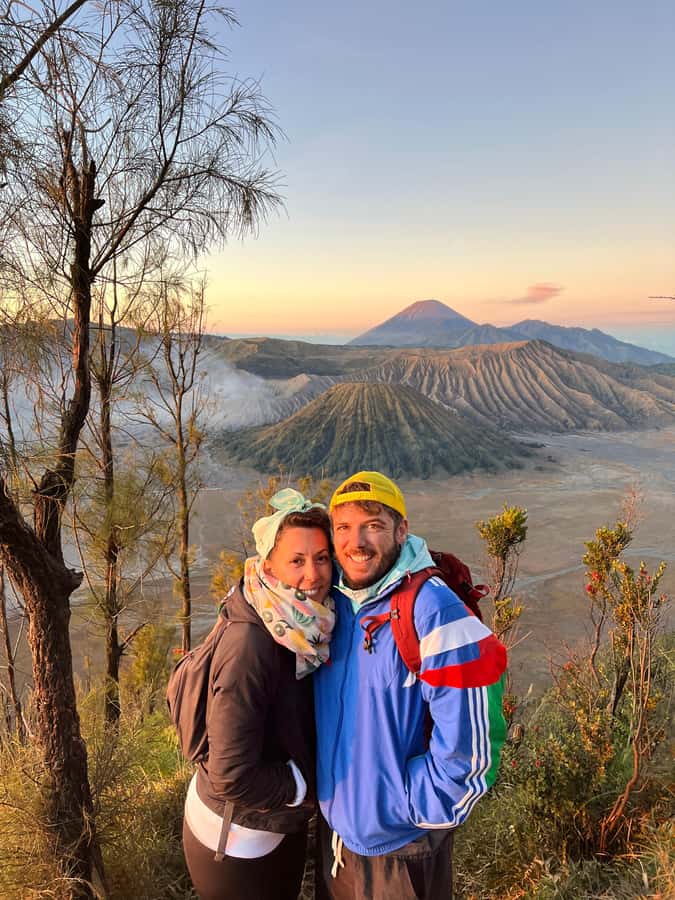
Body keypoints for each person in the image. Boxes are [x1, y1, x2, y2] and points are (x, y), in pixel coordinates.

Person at [314, 471, 507, 900]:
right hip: (337, 839)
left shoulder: (432, 608)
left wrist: (407, 808)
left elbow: (472, 749)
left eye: (373, 526)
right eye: (343, 527)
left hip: (402, 851)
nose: (356, 542)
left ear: (402, 530)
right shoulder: (334, 604)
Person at [182, 488, 335, 900]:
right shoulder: (252, 645)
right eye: (297, 561)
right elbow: (232, 775)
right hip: (236, 836)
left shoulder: (294, 621)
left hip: (268, 821)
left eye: (322, 558)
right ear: (269, 565)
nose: (313, 574)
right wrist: (304, 785)